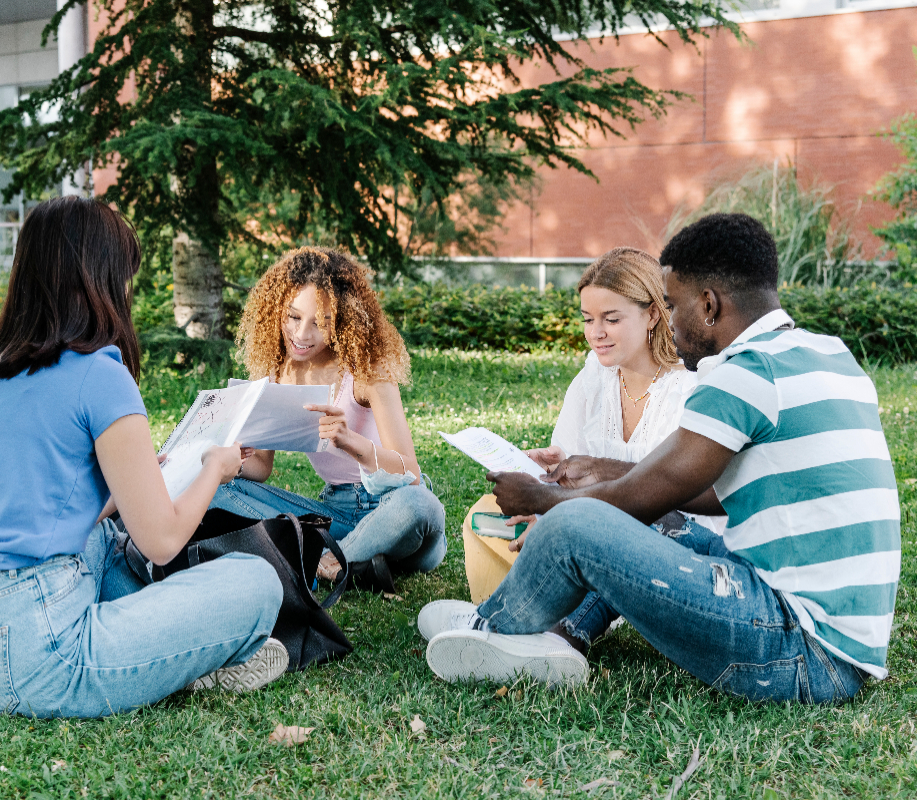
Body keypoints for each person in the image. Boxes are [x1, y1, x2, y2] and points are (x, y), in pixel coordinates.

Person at [420, 213, 898, 703]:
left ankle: (490, 627)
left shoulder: (743, 375)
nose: (668, 321)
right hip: (836, 643)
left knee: (580, 521)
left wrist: (541, 497)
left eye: (672, 304)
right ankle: (559, 636)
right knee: (655, 517)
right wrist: (607, 471)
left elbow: (640, 499)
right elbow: (705, 492)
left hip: (800, 652)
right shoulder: (829, 354)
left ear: (708, 305)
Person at [0, 197, 286, 718]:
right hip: (29, 657)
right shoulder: (100, 374)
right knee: (255, 582)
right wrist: (214, 470)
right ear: (104, 279)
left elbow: (31, 505)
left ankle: (174, 644)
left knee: (102, 534)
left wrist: (128, 486)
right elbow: (160, 542)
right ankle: (194, 651)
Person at [459, 248, 724, 655]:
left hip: (679, 543)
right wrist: (547, 476)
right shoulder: (594, 375)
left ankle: (546, 632)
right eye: (587, 319)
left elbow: (670, 496)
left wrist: (564, 512)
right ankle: (514, 615)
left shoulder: (690, 387)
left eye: (611, 319)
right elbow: (567, 463)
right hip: (590, 521)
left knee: (620, 522)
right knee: (486, 514)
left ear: (653, 314)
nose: (595, 332)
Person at [210, 247, 446, 592]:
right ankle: (352, 565)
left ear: (343, 321)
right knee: (217, 485)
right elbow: (260, 467)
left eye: (320, 323)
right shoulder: (275, 372)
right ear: (277, 309)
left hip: (396, 515)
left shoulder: (367, 370)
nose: (302, 334)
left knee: (422, 504)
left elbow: (410, 475)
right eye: (293, 317)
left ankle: (322, 565)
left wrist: (354, 443)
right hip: (336, 514)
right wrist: (232, 457)